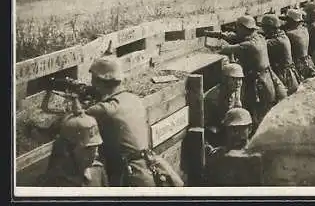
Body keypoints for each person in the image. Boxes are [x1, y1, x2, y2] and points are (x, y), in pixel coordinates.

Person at [85, 56, 184, 187]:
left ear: (100, 82)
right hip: (151, 167)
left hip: (131, 176)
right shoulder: (134, 100)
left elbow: (70, 121)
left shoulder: (106, 109)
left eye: (93, 80)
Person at [205, 16, 287, 130]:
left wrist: (214, 44)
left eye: (238, 28)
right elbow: (236, 38)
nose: (236, 30)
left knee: (255, 114)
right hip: (266, 81)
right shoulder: (259, 37)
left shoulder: (249, 45)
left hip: (258, 86)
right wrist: (220, 35)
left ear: (243, 29)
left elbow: (226, 49)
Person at [42, 97, 108, 187]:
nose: (96, 154)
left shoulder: (97, 171)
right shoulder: (57, 182)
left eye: (96, 148)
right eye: (88, 149)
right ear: (68, 150)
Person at [204, 63, 245, 146]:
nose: (238, 83)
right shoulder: (213, 97)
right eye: (233, 79)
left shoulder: (236, 90)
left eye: (240, 79)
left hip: (229, 125)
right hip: (215, 129)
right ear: (225, 80)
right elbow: (210, 122)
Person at [260, 14, 301, 95]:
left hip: (284, 79)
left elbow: (259, 45)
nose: (263, 30)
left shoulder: (276, 42)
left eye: (264, 28)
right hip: (290, 76)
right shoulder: (283, 36)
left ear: (270, 28)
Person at [281, 9, 315, 80]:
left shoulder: (289, 34)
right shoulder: (304, 29)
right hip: (308, 62)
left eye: (287, 20)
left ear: (291, 21)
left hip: (298, 65)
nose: (286, 22)